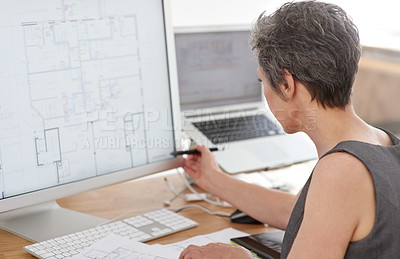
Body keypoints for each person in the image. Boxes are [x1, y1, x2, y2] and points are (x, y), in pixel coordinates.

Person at [179, 1, 400, 258]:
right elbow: (300, 213)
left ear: (286, 84)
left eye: (263, 81)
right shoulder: (383, 142)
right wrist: (212, 179)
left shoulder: (341, 172)